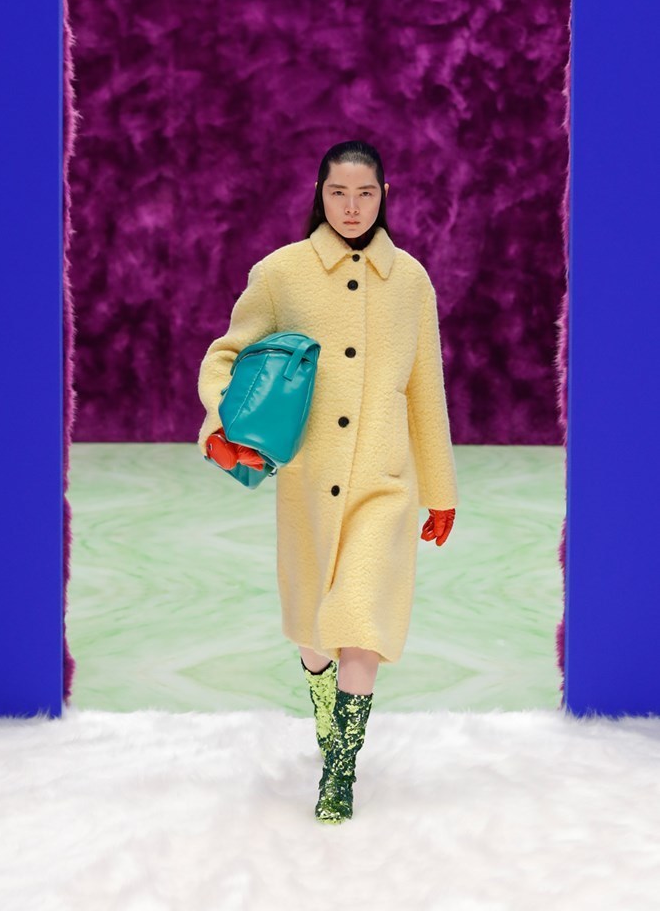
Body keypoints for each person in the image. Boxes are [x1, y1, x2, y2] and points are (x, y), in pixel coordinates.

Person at [197, 140, 458, 824]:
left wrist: (440, 491)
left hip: (385, 481)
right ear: (319, 192)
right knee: (315, 633)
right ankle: (323, 710)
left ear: (384, 195)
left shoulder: (410, 280)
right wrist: (223, 423)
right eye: (338, 192)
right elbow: (227, 354)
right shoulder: (281, 273)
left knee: (359, 620)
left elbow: (425, 391)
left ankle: (339, 773)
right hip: (309, 481)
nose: (351, 207)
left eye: (365, 193)